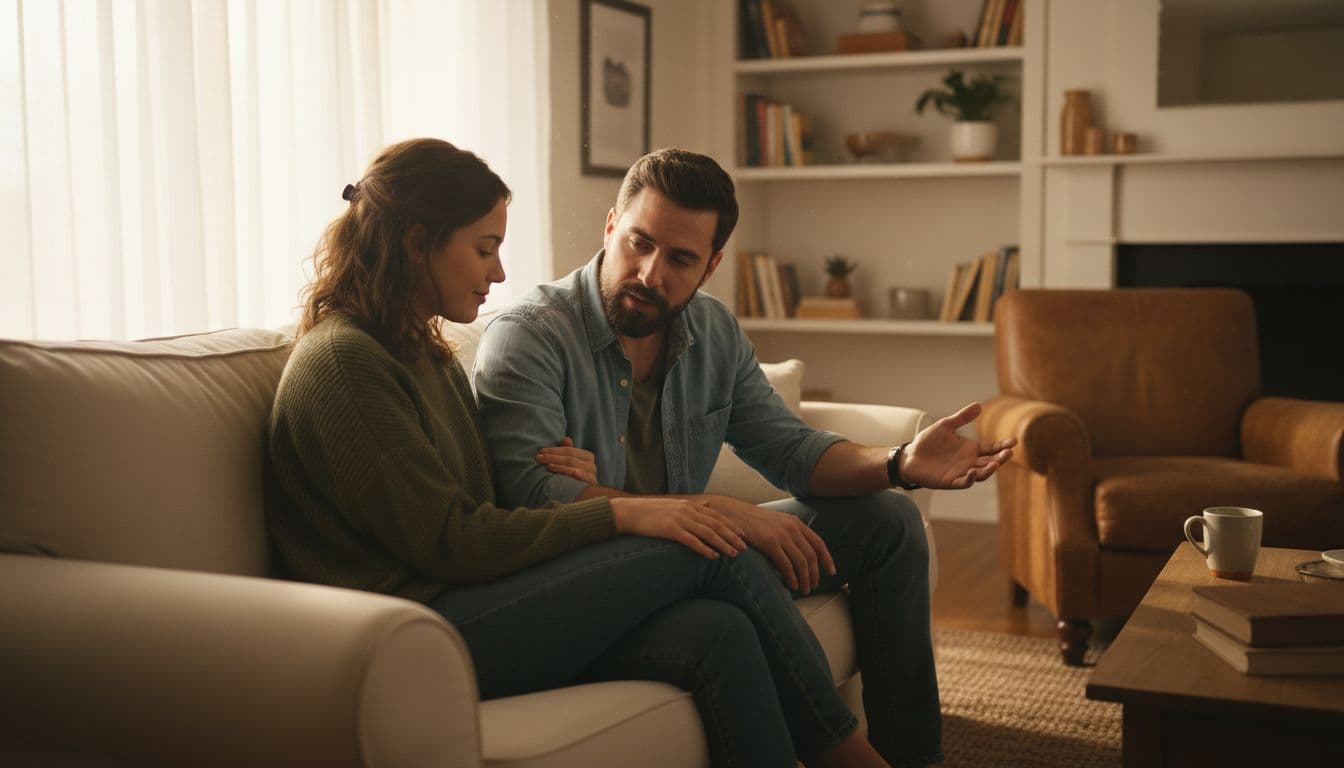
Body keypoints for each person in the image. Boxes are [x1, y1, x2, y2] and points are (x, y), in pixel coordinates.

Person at [265, 137, 913, 768]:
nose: (499, 271)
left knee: (719, 631)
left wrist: (573, 483)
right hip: (416, 632)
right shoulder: (346, 363)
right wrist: (628, 513)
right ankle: (845, 753)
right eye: (484, 248)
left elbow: (475, 499)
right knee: (711, 546)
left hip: (475, 597)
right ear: (417, 245)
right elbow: (451, 541)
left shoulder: (420, 350)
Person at [472, 147, 1018, 767]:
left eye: (680, 259)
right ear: (609, 227)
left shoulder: (713, 332)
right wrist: (725, 515)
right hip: (595, 579)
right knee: (722, 562)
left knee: (889, 521)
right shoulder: (531, 336)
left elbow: (790, 450)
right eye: (638, 243)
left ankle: (914, 758)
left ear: (711, 266)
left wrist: (899, 463)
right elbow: (538, 499)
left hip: (694, 552)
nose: (651, 274)